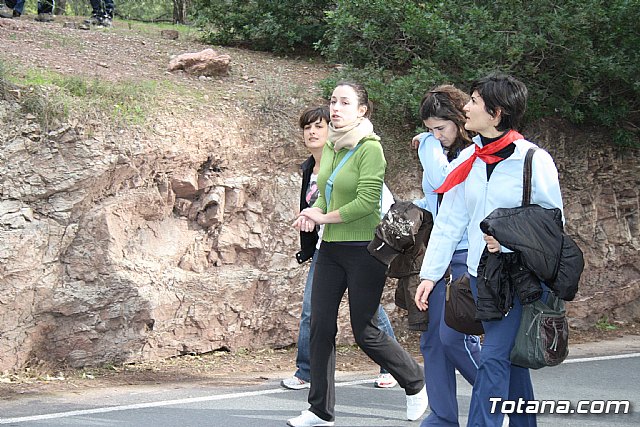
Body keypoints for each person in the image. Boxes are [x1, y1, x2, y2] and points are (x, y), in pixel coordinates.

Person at [415, 73, 564, 427]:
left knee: (494, 358)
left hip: (521, 279)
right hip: (481, 276)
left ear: (496, 113)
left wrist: (509, 240)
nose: (466, 107)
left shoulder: (533, 160)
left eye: (474, 102)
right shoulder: (470, 160)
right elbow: (450, 221)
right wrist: (430, 275)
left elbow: (553, 224)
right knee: (511, 361)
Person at [288, 81, 427, 427]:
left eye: (344, 102)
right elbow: (326, 193)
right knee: (320, 327)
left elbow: (367, 202)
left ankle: (414, 381)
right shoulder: (332, 145)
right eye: (333, 101)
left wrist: (324, 217)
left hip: (366, 250)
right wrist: (314, 212)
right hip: (330, 249)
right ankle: (320, 411)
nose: (335, 108)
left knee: (364, 330)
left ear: (361, 110)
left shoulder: (370, 149)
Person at [282, 105, 399, 392]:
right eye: (307, 127)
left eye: (319, 126)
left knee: (369, 311)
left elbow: (377, 203)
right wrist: (310, 224)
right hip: (327, 248)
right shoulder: (309, 168)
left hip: (360, 246)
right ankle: (307, 371)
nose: (312, 132)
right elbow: (316, 206)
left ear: (332, 131)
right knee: (313, 311)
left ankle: (393, 366)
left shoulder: (354, 159)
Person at [412, 85, 482, 426]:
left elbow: (443, 180)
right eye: (430, 130)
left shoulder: (474, 153)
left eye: (440, 128)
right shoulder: (442, 151)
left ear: (459, 119)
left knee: (454, 337)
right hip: (440, 253)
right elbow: (435, 200)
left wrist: (425, 143)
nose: (436, 136)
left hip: (467, 254)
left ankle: (499, 396)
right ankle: (442, 416)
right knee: (432, 341)